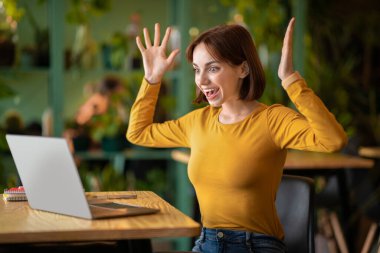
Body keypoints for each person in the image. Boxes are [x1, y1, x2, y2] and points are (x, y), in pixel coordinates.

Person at [127, 18, 347, 253]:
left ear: (243, 68)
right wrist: (152, 80)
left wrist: (291, 80)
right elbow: (138, 133)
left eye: (213, 68)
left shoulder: (272, 121)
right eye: (196, 70)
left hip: (256, 246)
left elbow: (333, 140)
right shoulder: (198, 122)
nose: (201, 81)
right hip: (205, 243)